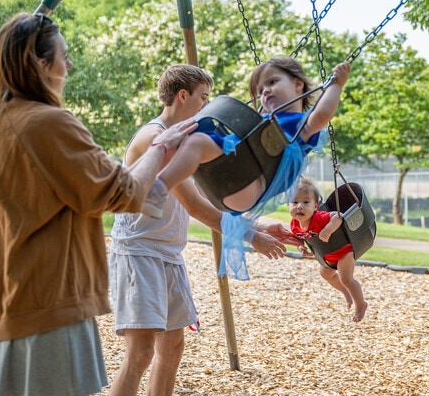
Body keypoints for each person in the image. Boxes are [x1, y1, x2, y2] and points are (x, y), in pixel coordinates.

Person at [0, 12, 197, 396]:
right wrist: (162, 146)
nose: (69, 65)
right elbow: (123, 192)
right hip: (42, 305)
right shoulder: (47, 123)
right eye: (63, 56)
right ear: (40, 63)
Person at [108, 64, 300, 396]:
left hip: (167, 252)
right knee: (140, 354)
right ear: (183, 96)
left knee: (172, 348)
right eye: (203, 97)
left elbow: (210, 200)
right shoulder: (157, 138)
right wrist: (253, 236)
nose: (206, 105)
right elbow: (196, 206)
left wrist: (260, 223)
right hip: (139, 252)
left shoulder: (184, 140)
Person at [141, 55, 352, 219]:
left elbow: (323, 114)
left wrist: (336, 85)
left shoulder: (300, 124)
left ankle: (158, 188)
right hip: (229, 181)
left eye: (272, 82)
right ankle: (150, 182)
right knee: (190, 136)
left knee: (196, 140)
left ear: (298, 85)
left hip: (251, 183)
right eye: (260, 90)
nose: (265, 92)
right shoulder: (265, 121)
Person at [289, 177, 368, 322]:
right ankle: (346, 293)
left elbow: (338, 216)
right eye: (294, 202)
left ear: (315, 206)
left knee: (346, 278)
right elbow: (300, 238)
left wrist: (327, 230)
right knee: (325, 273)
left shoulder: (320, 218)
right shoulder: (294, 224)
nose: (299, 206)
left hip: (344, 251)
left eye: (306, 202)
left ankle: (361, 304)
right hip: (327, 255)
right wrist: (301, 247)